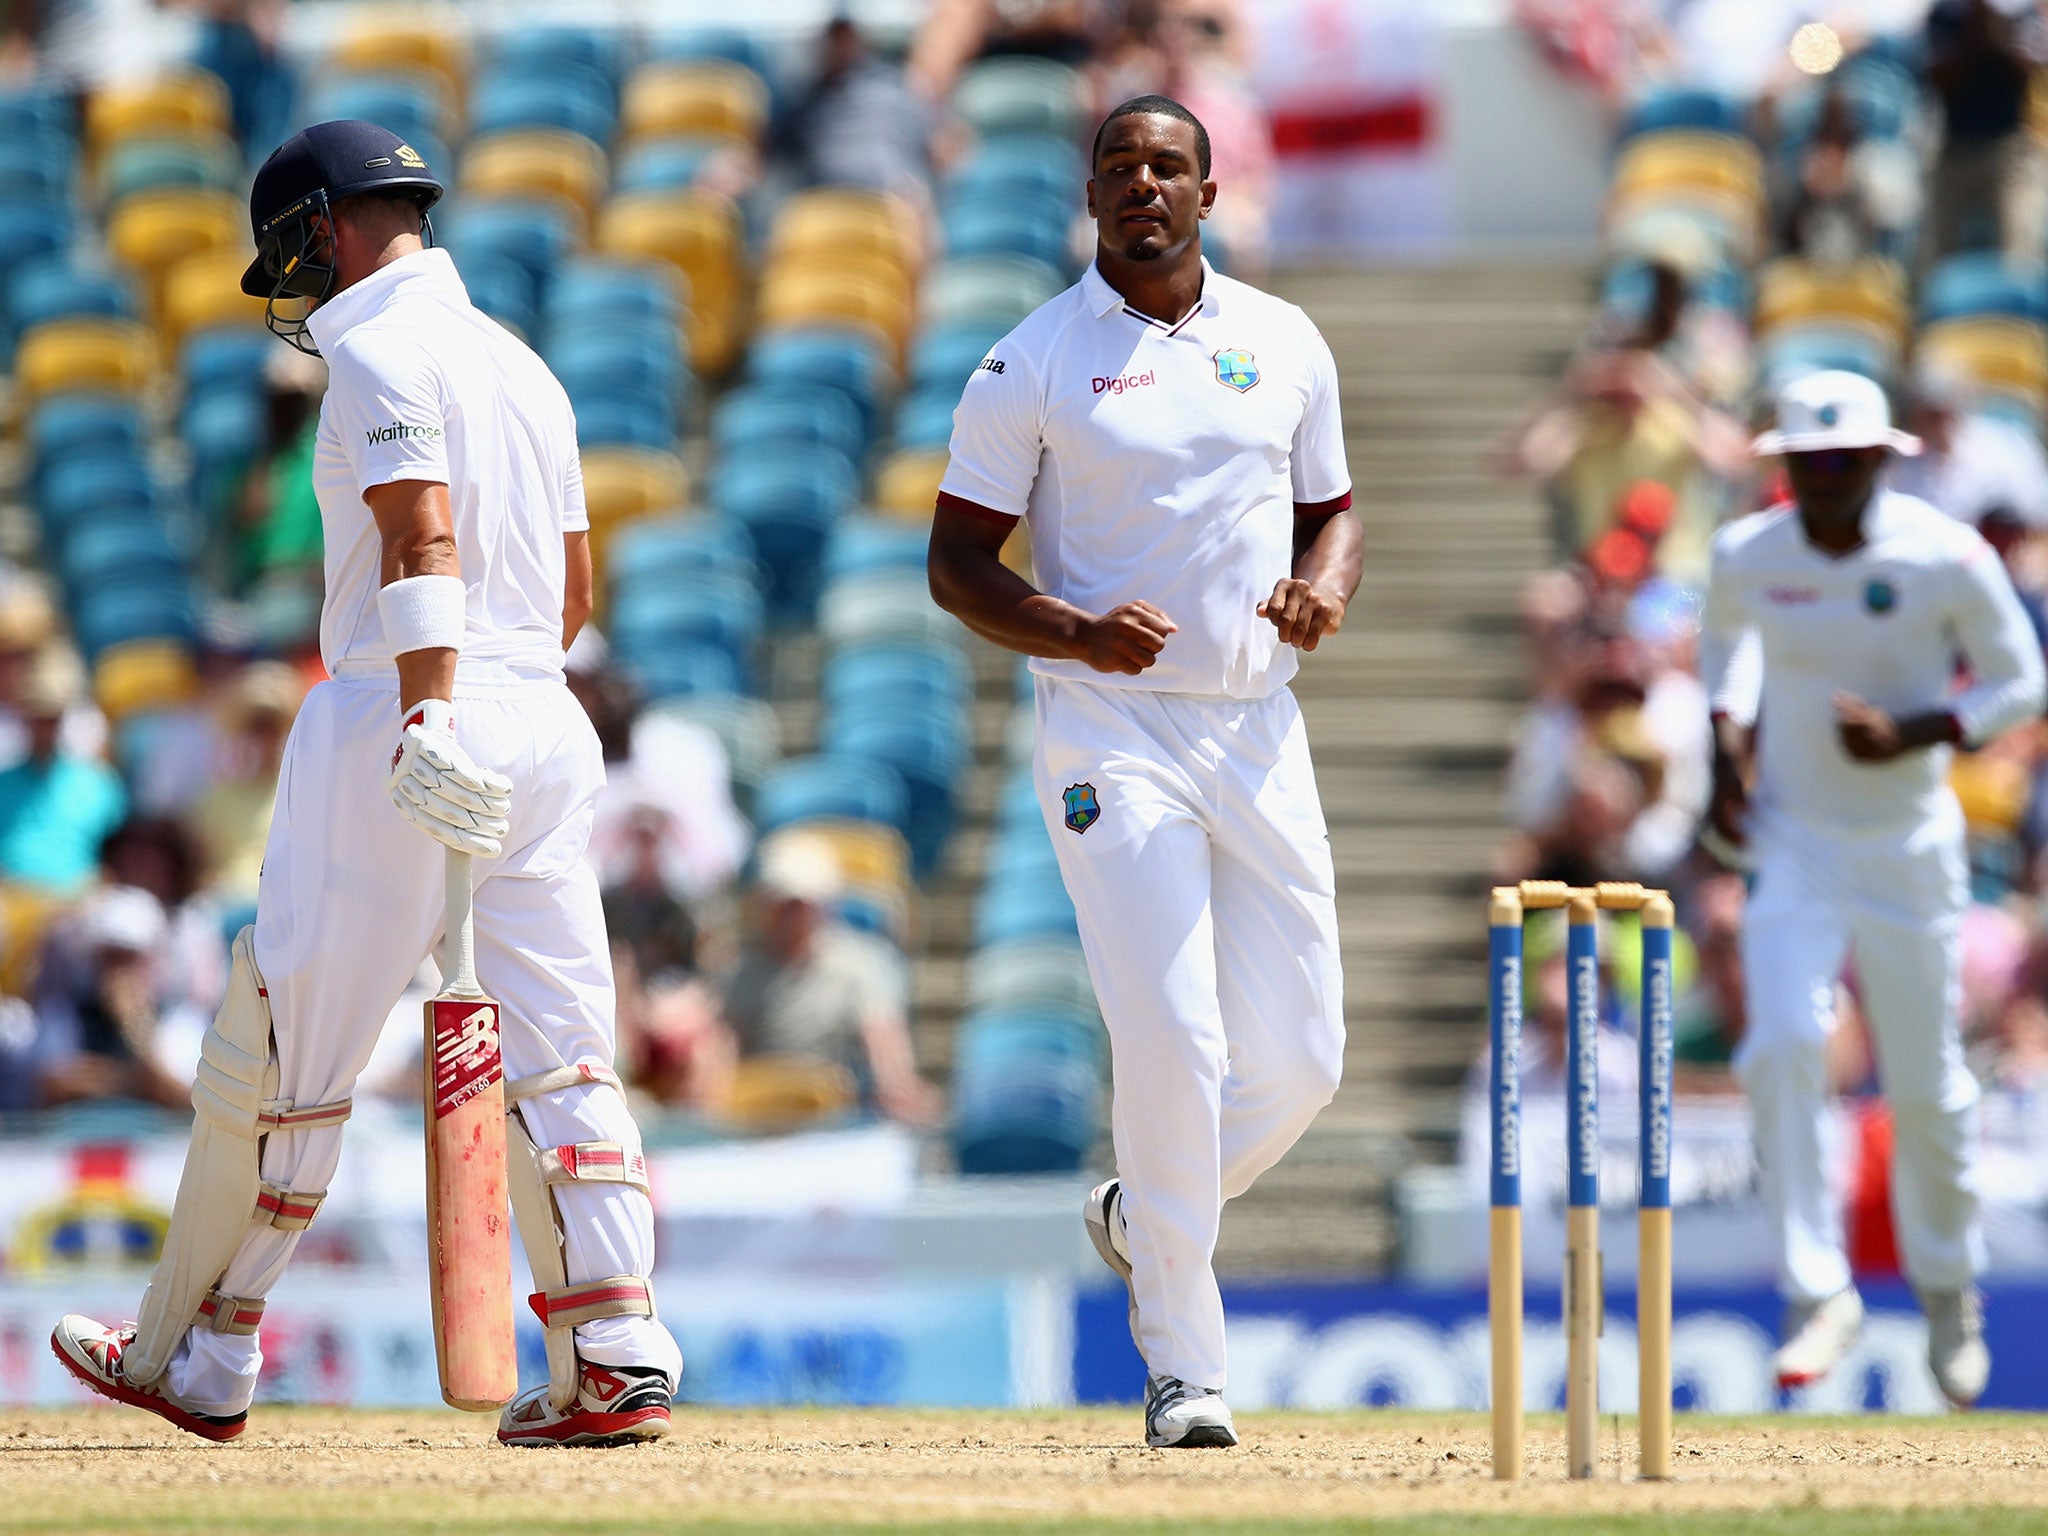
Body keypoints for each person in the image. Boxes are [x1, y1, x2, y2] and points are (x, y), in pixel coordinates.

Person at [52, 121, 682, 1447]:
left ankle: (202, 1348)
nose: (287, 280)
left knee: (281, 1048)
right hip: (542, 717)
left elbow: (421, 531)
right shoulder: (525, 366)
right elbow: (573, 596)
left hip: (401, 711)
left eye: (287, 248)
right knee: (564, 1045)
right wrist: (491, 708)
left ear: (325, 228)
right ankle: (613, 1343)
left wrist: (430, 715)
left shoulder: (375, 351)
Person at [926, 94, 1358, 1448]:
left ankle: (1140, 1214)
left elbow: (1331, 508)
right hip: (1110, 730)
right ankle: (1184, 1367)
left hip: (1256, 724)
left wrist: (1321, 591)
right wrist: (1079, 636)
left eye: (1168, 167)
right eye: (1119, 167)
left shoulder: (1281, 341)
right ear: (1093, 195)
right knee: (1172, 1036)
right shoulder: (1032, 362)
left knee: (1302, 1063)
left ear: (1208, 194)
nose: (1143, 187)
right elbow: (955, 565)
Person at [1700, 369, 2046, 1407]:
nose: (1823, 484)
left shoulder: (1942, 554)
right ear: (1785, 470)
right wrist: (1726, 754)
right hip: (1794, 838)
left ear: (1880, 462)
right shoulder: (1746, 554)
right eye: (1805, 467)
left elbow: (2019, 679)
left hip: (1906, 841)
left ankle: (1946, 1286)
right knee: (1782, 1046)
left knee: (1923, 1080)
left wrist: (1914, 730)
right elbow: (1726, 655)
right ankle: (1816, 1290)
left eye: (1842, 465)